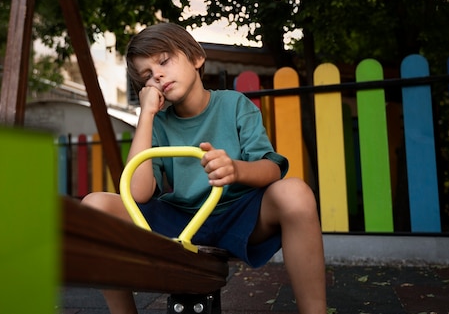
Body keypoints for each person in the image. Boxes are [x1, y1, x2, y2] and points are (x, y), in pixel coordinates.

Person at [82, 22, 326, 314]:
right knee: (94, 204)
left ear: (196, 58)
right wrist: (146, 115)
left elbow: (271, 169)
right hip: (183, 220)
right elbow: (138, 193)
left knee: (295, 192)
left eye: (163, 61)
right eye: (147, 76)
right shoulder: (158, 123)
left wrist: (236, 170)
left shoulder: (235, 104)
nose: (157, 75)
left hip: (237, 214)